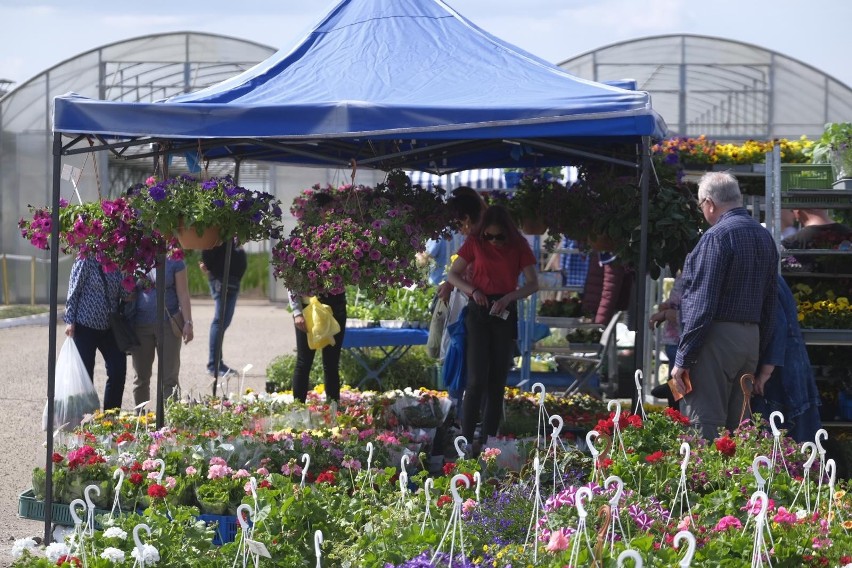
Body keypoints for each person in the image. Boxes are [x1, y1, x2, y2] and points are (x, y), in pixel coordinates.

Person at [670, 171, 778, 440]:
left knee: (703, 423)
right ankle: (738, 482)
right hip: (750, 340)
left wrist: (682, 358)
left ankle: (702, 483)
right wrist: (758, 349)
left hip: (715, 338)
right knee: (738, 429)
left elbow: (702, 303)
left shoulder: (716, 237)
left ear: (709, 203)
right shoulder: (765, 237)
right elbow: (770, 303)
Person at [446, 205, 539, 454]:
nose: (495, 242)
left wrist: (509, 298)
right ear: (483, 233)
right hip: (479, 309)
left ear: (508, 233)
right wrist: (472, 290)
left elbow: (533, 284)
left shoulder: (519, 245)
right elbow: (452, 275)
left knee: (497, 381)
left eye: (500, 237)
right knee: (475, 380)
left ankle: (488, 443)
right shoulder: (475, 242)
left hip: (505, 311)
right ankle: (464, 441)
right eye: (490, 236)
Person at [753, 275, 822, 443]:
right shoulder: (775, 278)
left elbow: (778, 325)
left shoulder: (763, 279)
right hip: (794, 364)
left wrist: (765, 372)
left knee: (778, 445)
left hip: (779, 372)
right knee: (803, 446)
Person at [63, 257, 127, 410]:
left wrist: (126, 274)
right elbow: (74, 289)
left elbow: (124, 294)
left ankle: (110, 419)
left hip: (109, 327)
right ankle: (86, 420)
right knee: (84, 375)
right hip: (85, 325)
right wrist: (70, 320)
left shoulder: (119, 259)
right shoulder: (86, 258)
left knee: (118, 371)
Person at [130, 257, 194, 407]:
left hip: (168, 325)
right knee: (141, 378)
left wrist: (188, 322)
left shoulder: (175, 260)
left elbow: (183, 293)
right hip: (140, 325)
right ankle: (140, 419)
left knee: (169, 377)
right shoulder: (136, 256)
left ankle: (171, 420)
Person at [289, 291, 347, 403]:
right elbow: (291, 282)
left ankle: (333, 410)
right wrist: (297, 312)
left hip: (336, 306)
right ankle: (298, 410)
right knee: (304, 362)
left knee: (332, 364)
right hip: (309, 308)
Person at [200, 239, 247, 376]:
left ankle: (217, 363)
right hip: (220, 280)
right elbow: (207, 253)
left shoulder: (233, 236)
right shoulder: (219, 235)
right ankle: (213, 364)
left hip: (232, 281)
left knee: (224, 322)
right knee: (219, 321)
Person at [648, 272, 683, 408]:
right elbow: (676, 301)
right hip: (673, 340)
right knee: (676, 388)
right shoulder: (682, 275)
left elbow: (689, 313)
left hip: (683, 341)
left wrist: (666, 313)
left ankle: (677, 418)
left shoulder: (694, 274)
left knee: (679, 389)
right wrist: (666, 306)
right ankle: (675, 416)